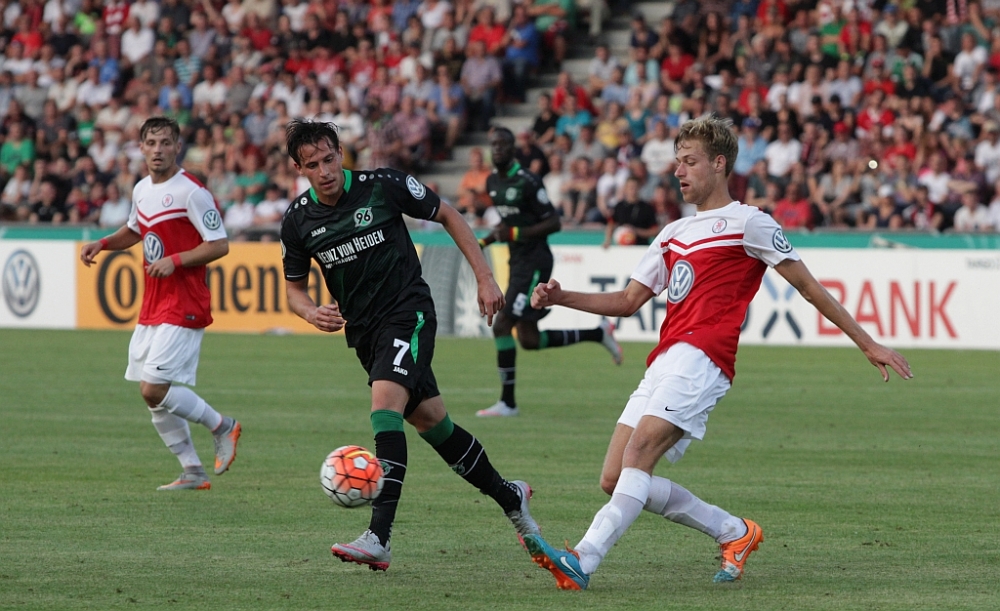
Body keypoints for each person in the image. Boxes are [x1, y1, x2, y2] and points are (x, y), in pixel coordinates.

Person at [522, 115, 913, 590]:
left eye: (690, 162)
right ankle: (733, 531)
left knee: (638, 455)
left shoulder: (750, 223)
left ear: (719, 163)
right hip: (664, 359)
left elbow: (810, 288)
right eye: (677, 162)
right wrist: (563, 297)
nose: (678, 172)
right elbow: (626, 301)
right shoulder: (671, 233)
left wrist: (867, 342)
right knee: (614, 477)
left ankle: (583, 559)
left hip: (704, 358)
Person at [279, 120, 539, 571]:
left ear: (341, 154)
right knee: (433, 423)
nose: (325, 171)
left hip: (408, 312)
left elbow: (449, 215)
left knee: (385, 408)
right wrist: (309, 312)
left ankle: (378, 537)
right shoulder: (297, 220)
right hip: (364, 333)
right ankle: (510, 496)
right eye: (313, 165)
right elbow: (294, 289)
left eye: (329, 159)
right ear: (298, 169)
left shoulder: (383, 185)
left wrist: (484, 276)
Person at [79, 117, 241, 491]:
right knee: (152, 395)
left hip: (184, 300)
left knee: (153, 388)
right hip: (153, 302)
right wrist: (103, 243)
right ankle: (192, 470)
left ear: (177, 147)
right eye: (151, 143)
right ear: (141, 148)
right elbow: (135, 230)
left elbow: (219, 244)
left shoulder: (192, 192)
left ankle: (223, 426)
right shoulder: (141, 189)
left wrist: (176, 260)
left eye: (165, 143)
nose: (158, 150)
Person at [476, 127, 623, 418]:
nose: (498, 149)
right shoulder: (492, 181)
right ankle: (597, 333)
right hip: (517, 260)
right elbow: (508, 224)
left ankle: (508, 403)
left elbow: (553, 223)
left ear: (514, 148)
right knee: (529, 340)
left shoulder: (528, 180)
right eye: (493, 144)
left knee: (502, 324)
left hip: (535, 261)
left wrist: (515, 233)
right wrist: (483, 242)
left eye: (503, 144)